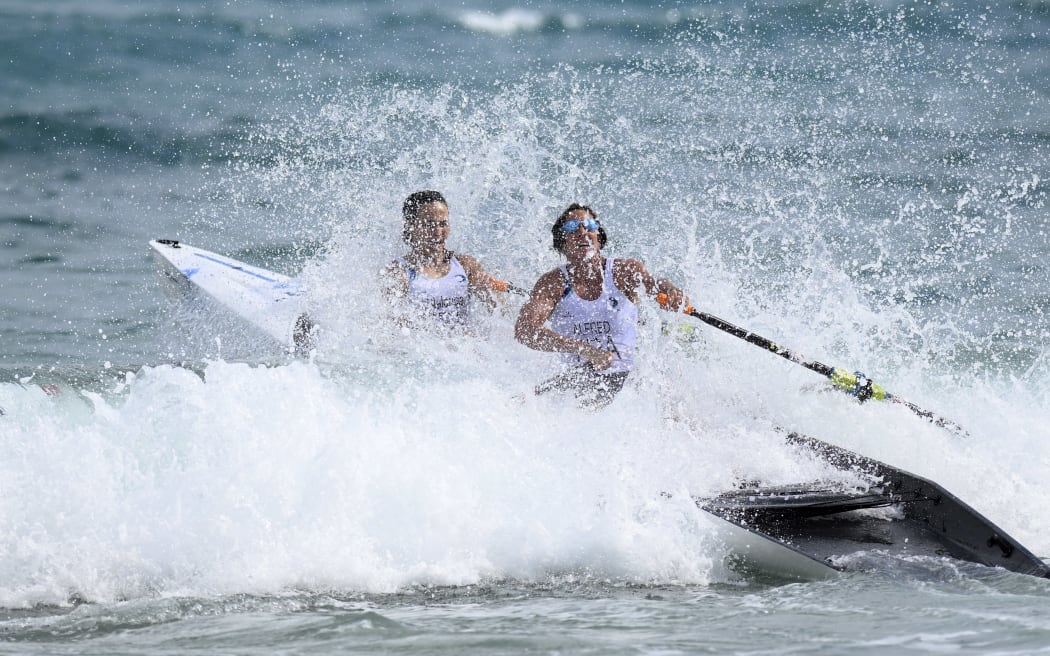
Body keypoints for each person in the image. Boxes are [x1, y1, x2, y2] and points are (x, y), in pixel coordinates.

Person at [514, 203, 686, 409]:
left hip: (630, 377)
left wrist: (672, 293)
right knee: (520, 403)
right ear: (562, 244)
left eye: (589, 225)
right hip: (579, 379)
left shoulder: (625, 271)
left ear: (599, 237)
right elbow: (525, 331)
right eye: (572, 228)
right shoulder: (553, 283)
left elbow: (657, 285)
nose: (582, 231)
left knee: (670, 399)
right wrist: (583, 349)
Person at [382, 190, 510, 332]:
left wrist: (490, 293)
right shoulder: (399, 271)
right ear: (410, 227)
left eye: (443, 224)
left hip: (464, 348)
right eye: (428, 225)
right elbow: (390, 327)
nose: (437, 232)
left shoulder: (466, 265)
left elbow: (502, 315)